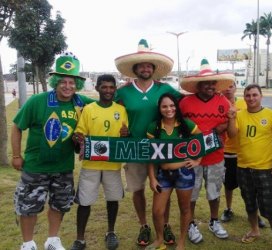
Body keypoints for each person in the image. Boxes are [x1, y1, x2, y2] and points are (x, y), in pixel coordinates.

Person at [11, 52, 93, 250]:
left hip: (63, 167)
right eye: (63, 81)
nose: (67, 86)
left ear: (77, 85)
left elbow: (106, 106)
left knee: (59, 205)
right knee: (28, 207)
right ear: (55, 81)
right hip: (35, 166)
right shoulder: (37, 101)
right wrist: (15, 155)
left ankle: (53, 240)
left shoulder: (82, 103)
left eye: (72, 82)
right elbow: (16, 126)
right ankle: (28, 243)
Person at [114, 39, 182, 246]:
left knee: (163, 188)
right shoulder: (123, 91)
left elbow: (185, 104)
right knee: (137, 190)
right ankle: (144, 225)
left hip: (161, 148)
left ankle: (165, 224)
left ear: (153, 68)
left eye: (149, 65)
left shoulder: (165, 89)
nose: (145, 68)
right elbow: (111, 111)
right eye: (141, 65)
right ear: (135, 68)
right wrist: (120, 128)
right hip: (133, 148)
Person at [70, 74, 129, 250]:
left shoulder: (121, 110)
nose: (108, 90)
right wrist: (77, 138)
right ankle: (80, 239)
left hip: (112, 165)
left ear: (115, 89)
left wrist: (126, 135)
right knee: (85, 202)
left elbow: (125, 137)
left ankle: (111, 232)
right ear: (97, 88)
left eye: (111, 87)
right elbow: (80, 134)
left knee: (112, 200)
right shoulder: (89, 109)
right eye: (104, 87)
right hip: (91, 165)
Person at [179, 59, 233, 243]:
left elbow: (230, 120)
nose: (210, 86)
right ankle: (191, 224)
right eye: (206, 83)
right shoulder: (185, 102)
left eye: (213, 83)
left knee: (214, 192)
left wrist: (222, 126)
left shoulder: (223, 101)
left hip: (216, 156)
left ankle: (214, 220)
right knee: (191, 193)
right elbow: (178, 124)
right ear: (198, 85)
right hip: (191, 157)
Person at [227, 84, 272, 250]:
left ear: (261, 96)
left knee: (271, 205)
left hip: (265, 169)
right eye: (248, 95)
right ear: (244, 98)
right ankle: (254, 230)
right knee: (249, 203)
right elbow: (231, 134)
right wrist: (231, 118)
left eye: (254, 95)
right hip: (243, 167)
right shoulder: (239, 114)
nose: (251, 98)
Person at [146, 93, 202, 250]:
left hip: (184, 173)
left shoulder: (186, 124)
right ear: (160, 108)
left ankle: (182, 242)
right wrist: (151, 178)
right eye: (164, 106)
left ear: (176, 107)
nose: (169, 109)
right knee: (157, 211)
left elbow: (203, 140)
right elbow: (150, 156)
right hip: (163, 174)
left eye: (172, 105)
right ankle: (159, 240)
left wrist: (198, 160)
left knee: (184, 209)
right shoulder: (154, 127)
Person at [219, 82, 266, 228]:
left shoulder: (243, 103)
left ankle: (254, 214)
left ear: (235, 88)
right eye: (225, 87)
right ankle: (228, 208)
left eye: (231, 86)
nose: (228, 89)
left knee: (251, 186)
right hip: (226, 151)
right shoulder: (218, 103)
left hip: (244, 152)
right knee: (228, 184)